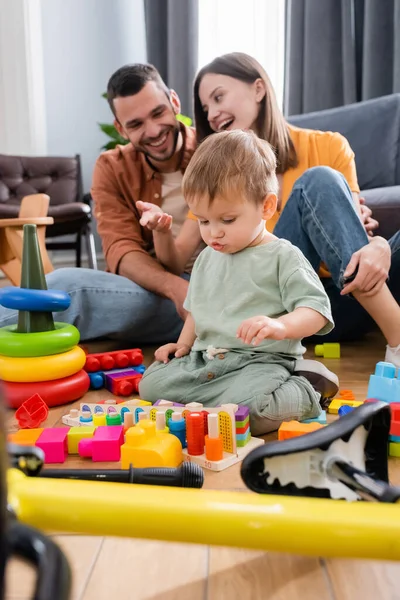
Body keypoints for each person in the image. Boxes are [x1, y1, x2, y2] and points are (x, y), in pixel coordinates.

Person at [140, 52, 400, 369]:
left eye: (218, 97)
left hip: (349, 295)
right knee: (317, 180)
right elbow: (175, 261)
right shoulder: (218, 187)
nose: (211, 114)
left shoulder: (330, 145)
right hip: (284, 307)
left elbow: (353, 238)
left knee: (320, 180)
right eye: (206, 108)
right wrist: (162, 230)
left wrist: (380, 245)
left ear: (259, 89)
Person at [139, 130, 334, 434]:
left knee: (252, 413)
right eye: (203, 221)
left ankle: (306, 388)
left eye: (227, 220)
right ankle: (215, 406)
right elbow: (196, 312)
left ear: (266, 207)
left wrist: (281, 326)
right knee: (150, 385)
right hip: (207, 361)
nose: (213, 233)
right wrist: (182, 345)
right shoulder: (207, 258)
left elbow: (316, 311)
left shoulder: (283, 255)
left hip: (261, 362)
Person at [0, 63, 199, 345]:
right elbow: (121, 248)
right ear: (120, 128)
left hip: (212, 295)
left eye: (158, 113)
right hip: (158, 292)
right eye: (136, 124)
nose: (153, 131)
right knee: (67, 289)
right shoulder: (112, 167)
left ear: (174, 102)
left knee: (74, 293)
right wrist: (175, 288)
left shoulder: (214, 150)